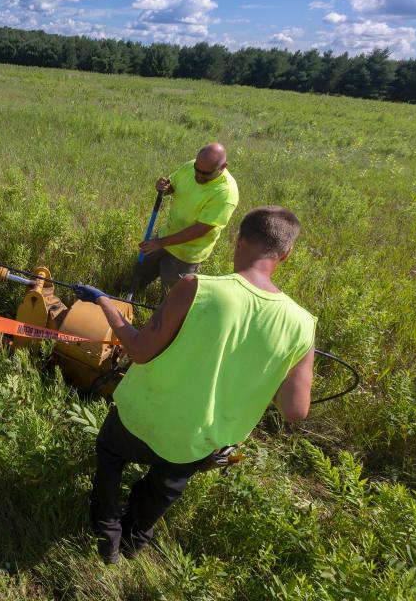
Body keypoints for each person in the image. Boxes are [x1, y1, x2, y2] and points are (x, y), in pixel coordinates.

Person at [75, 205, 316, 564]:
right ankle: (134, 539)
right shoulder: (302, 324)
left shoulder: (196, 287)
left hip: (142, 416)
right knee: (166, 485)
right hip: (199, 440)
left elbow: (140, 350)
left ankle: (107, 532)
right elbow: (295, 410)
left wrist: (103, 303)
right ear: (287, 253)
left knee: (111, 455)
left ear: (239, 238)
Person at [135, 143, 239, 294]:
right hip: (166, 235)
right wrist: (163, 188)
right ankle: (128, 298)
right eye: (197, 169)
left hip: (187, 254)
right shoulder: (190, 167)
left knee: (172, 296)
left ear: (223, 167)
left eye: (206, 173)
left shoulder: (226, 193)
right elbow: (173, 185)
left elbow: (200, 229)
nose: (199, 175)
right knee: (140, 273)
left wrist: (159, 243)